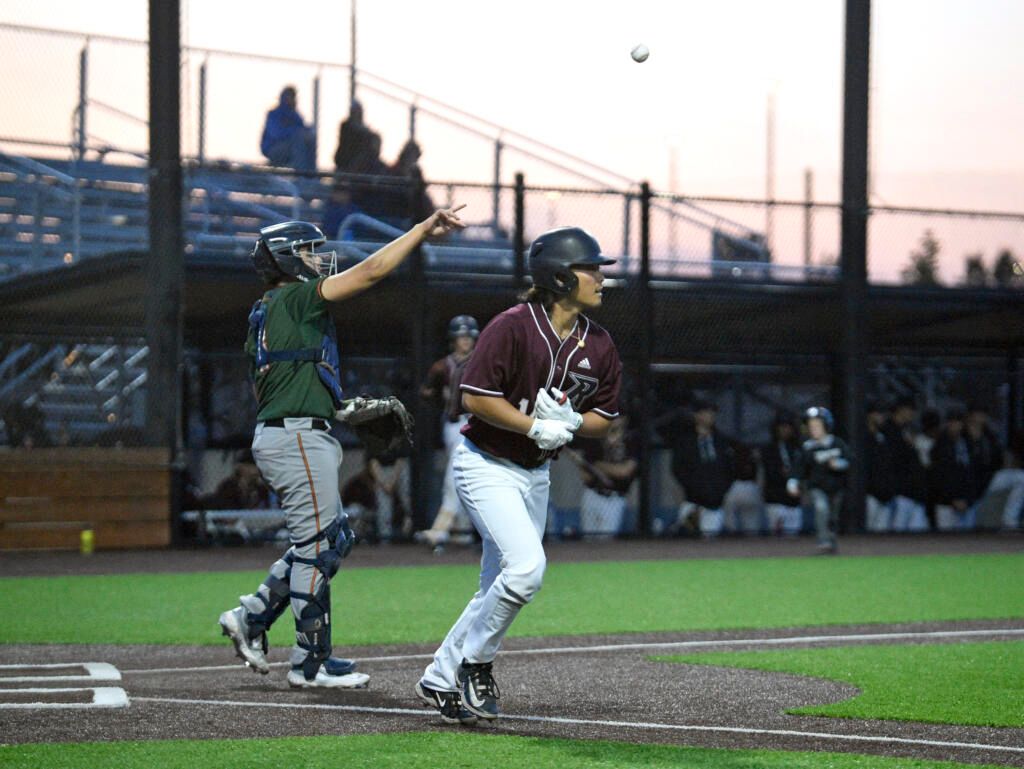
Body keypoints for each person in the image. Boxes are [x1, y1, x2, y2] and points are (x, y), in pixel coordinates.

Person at [217, 204, 466, 689]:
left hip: (293, 430)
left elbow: (273, 387)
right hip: (296, 436)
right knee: (317, 547)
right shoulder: (294, 299)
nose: (318, 258)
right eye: (309, 251)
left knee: (332, 541)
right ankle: (306, 664)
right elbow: (371, 271)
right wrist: (418, 229)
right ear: (287, 258)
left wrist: (336, 407)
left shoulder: (266, 311)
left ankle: (254, 618)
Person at [416, 226, 622, 724]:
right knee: (528, 569)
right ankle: (477, 664)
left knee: (497, 586)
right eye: (590, 268)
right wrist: (536, 427)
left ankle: (441, 678)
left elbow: (605, 418)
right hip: (486, 464)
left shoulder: (600, 342)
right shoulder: (512, 326)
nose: (600, 276)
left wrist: (571, 423)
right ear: (558, 276)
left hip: (534, 475)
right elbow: (476, 398)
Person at [415, 315, 480, 552]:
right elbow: (426, 392)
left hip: (480, 425)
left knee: (466, 479)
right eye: (461, 337)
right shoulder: (442, 366)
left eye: (469, 337)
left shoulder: (482, 361)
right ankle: (442, 532)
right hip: (456, 426)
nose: (465, 341)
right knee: (457, 478)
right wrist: (440, 397)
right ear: (453, 339)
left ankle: (441, 532)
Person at [787, 406, 850, 554]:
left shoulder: (837, 443)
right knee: (821, 508)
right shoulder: (807, 447)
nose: (814, 428)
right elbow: (798, 468)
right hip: (816, 487)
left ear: (826, 425)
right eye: (811, 426)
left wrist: (839, 464)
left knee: (833, 517)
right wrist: (792, 482)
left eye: (817, 425)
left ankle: (831, 541)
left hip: (836, 488)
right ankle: (823, 541)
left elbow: (850, 460)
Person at [669, 400, 735, 537]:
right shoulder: (685, 441)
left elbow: (730, 469)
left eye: (712, 413)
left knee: (709, 540)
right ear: (697, 415)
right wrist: (695, 488)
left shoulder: (721, 441)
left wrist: (719, 490)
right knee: (687, 537)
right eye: (706, 412)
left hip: (715, 504)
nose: (710, 416)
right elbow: (678, 469)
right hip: (692, 502)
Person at [567, 416, 638, 538]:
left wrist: (598, 466)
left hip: (614, 497)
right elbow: (585, 476)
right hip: (592, 494)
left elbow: (625, 471)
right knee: (588, 538)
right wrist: (594, 468)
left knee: (606, 539)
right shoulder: (595, 441)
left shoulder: (631, 441)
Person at [884, 398, 930, 531]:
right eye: (910, 410)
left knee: (917, 537)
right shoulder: (889, 430)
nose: (912, 414)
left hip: (914, 492)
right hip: (899, 493)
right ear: (901, 410)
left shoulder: (907, 430)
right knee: (896, 537)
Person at [930, 408, 978, 530]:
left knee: (967, 544)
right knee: (946, 542)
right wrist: (953, 499)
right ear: (947, 424)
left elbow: (971, 474)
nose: (955, 426)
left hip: (966, 502)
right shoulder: (940, 445)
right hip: (945, 503)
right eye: (952, 422)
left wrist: (967, 499)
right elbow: (940, 476)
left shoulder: (967, 444)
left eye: (958, 422)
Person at [760, 414, 803, 536]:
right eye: (781, 427)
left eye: (787, 427)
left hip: (793, 499)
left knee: (793, 534)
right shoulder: (768, 449)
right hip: (775, 498)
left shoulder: (798, 448)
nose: (784, 430)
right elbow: (767, 473)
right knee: (776, 534)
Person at [260, 86, 316, 171]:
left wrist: (307, 131)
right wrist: (295, 131)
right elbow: (276, 134)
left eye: (293, 96)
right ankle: (302, 174)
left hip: (290, 150)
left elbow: (302, 129)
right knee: (298, 139)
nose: (291, 99)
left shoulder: (295, 115)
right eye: (289, 96)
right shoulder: (274, 114)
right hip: (273, 149)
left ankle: (311, 174)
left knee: (309, 138)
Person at [864, 401, 897, 532]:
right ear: (869, 415)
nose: (881, 417)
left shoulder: (883, 436)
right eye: (878, 413)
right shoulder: (862, 436)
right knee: (866, 535)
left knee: (882, 537)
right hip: (870, 495)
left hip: (885, 495)